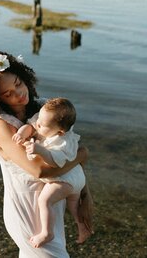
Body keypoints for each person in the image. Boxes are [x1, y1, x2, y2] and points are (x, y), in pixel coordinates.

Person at [0, 51, 93, 257]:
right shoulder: (0, 125)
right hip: (26, 208)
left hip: (52, 203)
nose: (19, 93)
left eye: (18, 83)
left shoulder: (43, 109)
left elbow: (66, 149)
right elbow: (39, 170)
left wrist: (85, 196)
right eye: (8, 94)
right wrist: (81, 155)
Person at [12, 97, 91, 248]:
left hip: (65, 180)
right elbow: (31, 126)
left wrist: (40, 150)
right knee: (73, 206)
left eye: (42, 125)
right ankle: (83, 227)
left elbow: (56, 163)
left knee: (44, 201)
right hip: (76, 177)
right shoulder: (45, 121)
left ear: (60, 132)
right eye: (39, 119)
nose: (38, 124)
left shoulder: (63, 142)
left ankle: (47, 233)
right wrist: (22, 133)